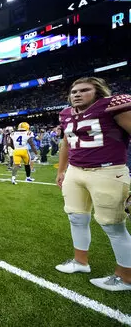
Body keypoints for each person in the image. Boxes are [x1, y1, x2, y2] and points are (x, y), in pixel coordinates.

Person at [55, 77, 131, 291]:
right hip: (75, 171)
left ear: (98, 92)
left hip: (107, 170)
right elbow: (66, 142)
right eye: (73, 91)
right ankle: (80, 262)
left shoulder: (111, 106)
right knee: (76, 217)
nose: (76, 94)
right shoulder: (66, 114)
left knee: (113, 225)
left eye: (84, 90)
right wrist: (62, 169)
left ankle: (126, 277)